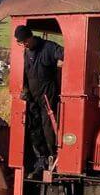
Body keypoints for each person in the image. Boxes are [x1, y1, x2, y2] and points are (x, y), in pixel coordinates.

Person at [15, 24, 64, 177]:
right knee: (34, 130)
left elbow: (66, 54)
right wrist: (24, 90)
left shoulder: (49, 48)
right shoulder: (25, 53)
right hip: (32, 98)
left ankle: (53, 158)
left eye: (25, 41)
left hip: (47, 97)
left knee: (49, 129)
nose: (24, 45)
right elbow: (24, 73)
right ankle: (41, 160)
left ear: (31, 37)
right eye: (21, 43)